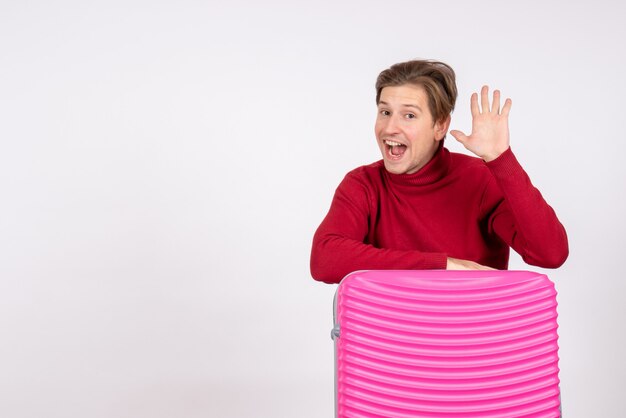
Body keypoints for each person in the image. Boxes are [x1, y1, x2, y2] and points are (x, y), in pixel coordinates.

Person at [310, 59, 568, 284]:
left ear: (440, 125)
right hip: (389, 338)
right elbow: (325, 259)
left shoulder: (478, 180)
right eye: (385, 112)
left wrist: (501, 160)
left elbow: (550, 253)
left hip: (473, 336)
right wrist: (442, 266)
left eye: (409, 116)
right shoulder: (363, 185)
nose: (390, 128)